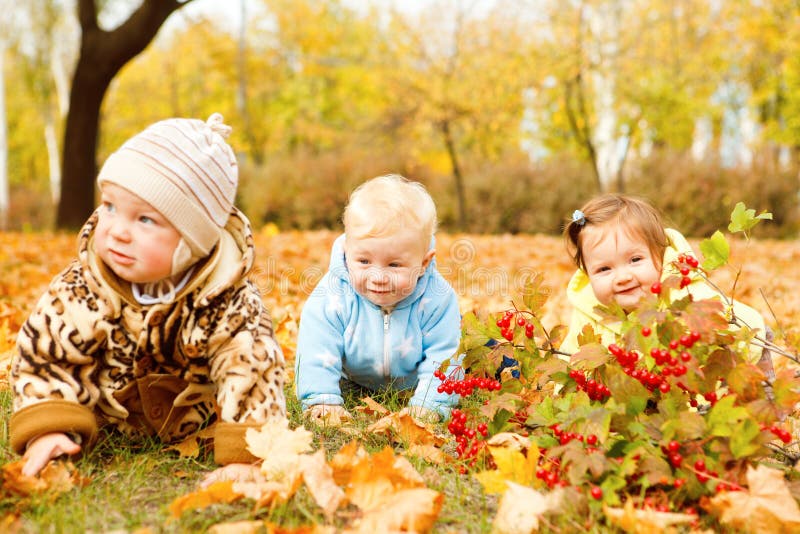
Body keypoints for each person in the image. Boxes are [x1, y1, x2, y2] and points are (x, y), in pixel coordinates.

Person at [9, 113, 286, 479]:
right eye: (109, 207)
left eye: (145, 220)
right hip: (107, 416)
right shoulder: (85, 283)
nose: (118, 231)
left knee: (250, 355)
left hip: (193, 422)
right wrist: (49, 427)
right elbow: (46, 352)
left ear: (192, 241)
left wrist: (247, 455)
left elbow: (253, 369)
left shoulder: (228, 300)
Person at [294, 174, 461, 425]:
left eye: (394, 265)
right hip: (352, 380)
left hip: (412, 383)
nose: (378, 277)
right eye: (364, 262)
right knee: (327, 372)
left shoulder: (437, 299)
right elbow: (316, 346)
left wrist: (429, 403)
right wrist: (322, 398)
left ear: (423, 263)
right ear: (347, 252)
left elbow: (444, 352)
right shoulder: (332, 295)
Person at [560, 193, 774, 376]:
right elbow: (571, 362)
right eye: (604, 269)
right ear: (587, 273)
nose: (622, 277)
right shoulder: (589, 311)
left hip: (729, 366)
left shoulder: (684, 296)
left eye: (635, 260)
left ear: (660, 255)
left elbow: (724, 341)